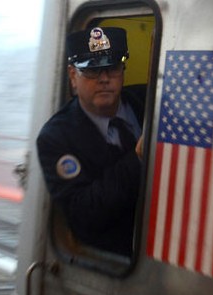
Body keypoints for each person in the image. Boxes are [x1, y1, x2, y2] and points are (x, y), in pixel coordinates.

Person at [36, 26, 145, 256]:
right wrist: (138, 160)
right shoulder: (55, 138)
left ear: (122, 70)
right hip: (117, 262)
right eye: (92, 71)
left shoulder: (148, 101)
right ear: (73, 77)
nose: (104, 79)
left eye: (112, 67)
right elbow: (83, 214)